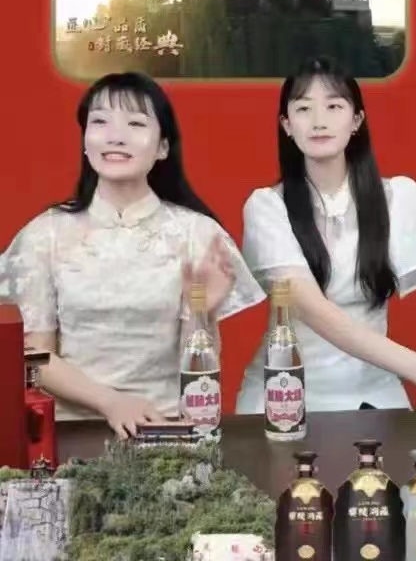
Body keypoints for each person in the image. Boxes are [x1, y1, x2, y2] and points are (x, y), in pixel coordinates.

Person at [0, 72, 265, 438]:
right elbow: (35, 357)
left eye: (136, 123)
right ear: (85, 141)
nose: (116, 136)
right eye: (100, 122)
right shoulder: (45, 234)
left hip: (166, 427)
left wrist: (200, 311)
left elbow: (202, 371)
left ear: (162, 147)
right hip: (72, 432)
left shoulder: (197, 233)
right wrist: (110, 402)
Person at [236, 57, 416, 414]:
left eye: (334, 106)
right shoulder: (266, 207)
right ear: (287, 125)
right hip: (285, 393)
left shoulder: (397, 196)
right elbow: (311, 308)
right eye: (303, 109)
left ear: (356, 120)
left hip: (374, 393)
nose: (319, 121)